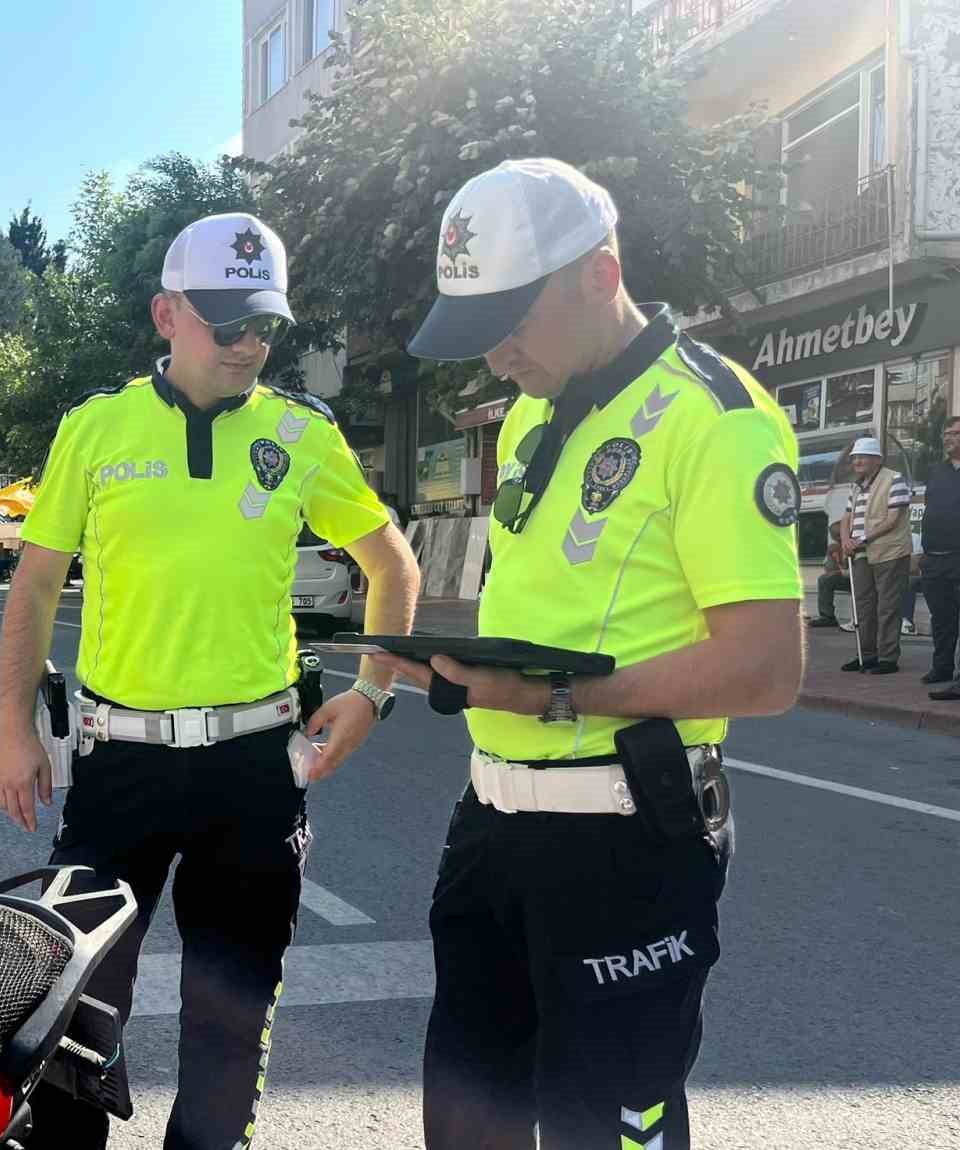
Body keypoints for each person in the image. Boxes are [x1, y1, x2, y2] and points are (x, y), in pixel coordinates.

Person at [382, 158, 802, 1150]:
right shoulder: (532, 410)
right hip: (490, 824)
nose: (495, 358)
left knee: (603, 1131)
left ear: (598, 276)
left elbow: (767, 666)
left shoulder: (715, 417)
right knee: (465, 1121)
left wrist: (554, 696)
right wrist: (469, 672)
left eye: (512, 323)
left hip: (627, 842)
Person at [0, 211, 419, 1149]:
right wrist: (14, 731)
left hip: (256, 771)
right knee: (72, 1020)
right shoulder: (95, 430)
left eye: (267, 325)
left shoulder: (302, 435)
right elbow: (34, 584)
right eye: (231, 326)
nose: (253, 345)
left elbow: (393, 563)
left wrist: (375, 692)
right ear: (166, 315)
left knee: (231, 1031)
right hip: (119, 767)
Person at [841, 438, 912, 674]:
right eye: (855, 457)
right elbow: (846, 517)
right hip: (861, 554)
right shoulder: (856, 486)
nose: (857, 461)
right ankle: (866, 655)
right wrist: (845, 540)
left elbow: (893, 519)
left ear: (877, 459)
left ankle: (888, 658)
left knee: (888, 606)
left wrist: (861, 539)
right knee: (863, 606)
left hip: (889, 552)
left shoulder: (894, 479)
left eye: (863, 456)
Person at [924, 417, 960, 698]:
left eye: (956, 433)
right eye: (946, 433)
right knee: (942, 617)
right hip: (934, 557)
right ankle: (942, 667)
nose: (949, 438)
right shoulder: (936, 471)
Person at [808, 517, 851, 628]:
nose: (836, 538)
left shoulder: (855, 543)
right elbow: (830, 571)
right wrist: (832, 557)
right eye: (834, 535)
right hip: (847, 578)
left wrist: (842, 571)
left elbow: (855, 569)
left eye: (837, 535)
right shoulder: (835, 548)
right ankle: (827, 617)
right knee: (824, 580)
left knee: (827, 578)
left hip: (862, 578)